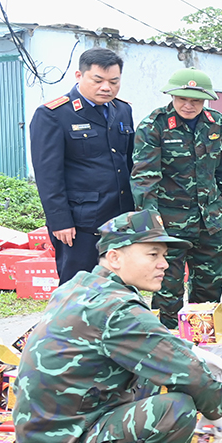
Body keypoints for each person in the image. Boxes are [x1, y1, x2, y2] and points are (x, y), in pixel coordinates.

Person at [14, 210, 222, 443]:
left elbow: (156, 345)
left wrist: (190, 351)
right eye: (152, 254)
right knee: (177, 408)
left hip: (51, 439)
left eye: (164, 255)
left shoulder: (83, 286)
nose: (164, 264)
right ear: (115, 257)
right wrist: (218, 412)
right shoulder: (116, 308)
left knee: (155, 376)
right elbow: (189, 373)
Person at [131, 69, 222, 329]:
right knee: (167, 290)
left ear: (206, 100)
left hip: (209, 222)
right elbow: (144, 178)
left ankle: (203, 344)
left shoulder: (215, 123)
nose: (188, 105)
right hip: (169, 224)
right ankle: (166, 343)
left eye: (196, 101)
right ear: (172, 96)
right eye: (182, 99)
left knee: (209, 289)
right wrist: (150, 223)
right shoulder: (153, 126)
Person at [29, 47, 135, 283]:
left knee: (118, 284)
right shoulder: (54, 114)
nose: (106, 87)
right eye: (98, 80)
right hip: (80, 223)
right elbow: (48, 175)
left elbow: (128, 162)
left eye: (114, 81)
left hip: (119, 218)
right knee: (78, 287)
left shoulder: (122, 110)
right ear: (79, 75)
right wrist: (60, 221)